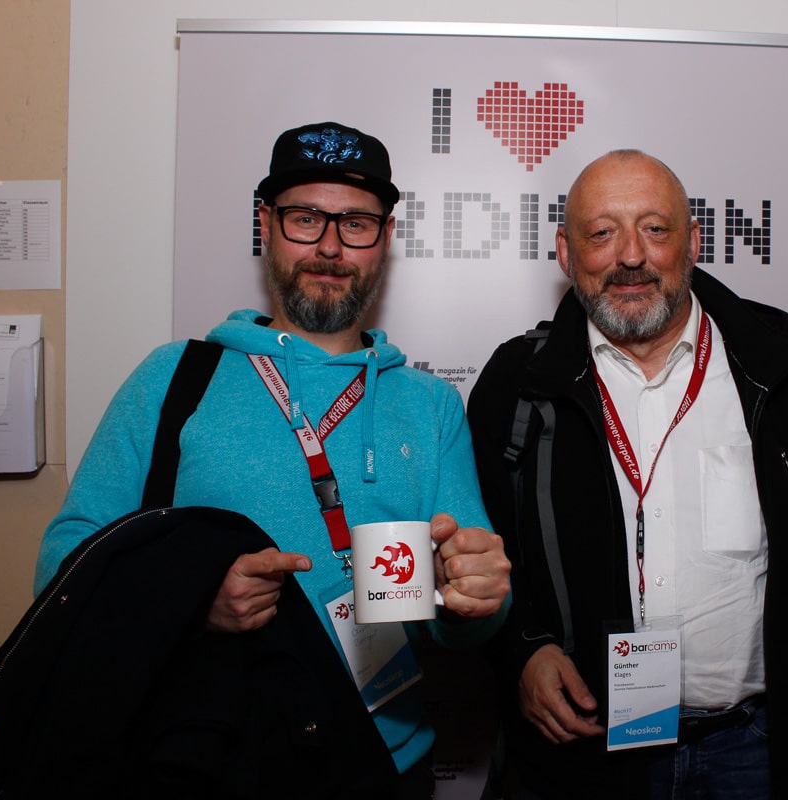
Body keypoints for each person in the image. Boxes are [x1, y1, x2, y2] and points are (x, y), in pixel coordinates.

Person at [34, 121, 511, 796]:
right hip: (201, 758)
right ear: (265, 224)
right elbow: (64, 563)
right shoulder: (174, 378)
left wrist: (478, 597)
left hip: (383, 765)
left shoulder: (430, 404)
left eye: (356, 224)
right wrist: (191, 596)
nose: (329, 246)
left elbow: (465, 615)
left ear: (385, 237)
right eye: (305, 218)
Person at [466, 149, 788, 799]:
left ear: (694, 241)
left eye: (655, 228)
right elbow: (476, 549)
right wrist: (523, 650)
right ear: (565, 251)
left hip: (751, 749)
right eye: (602, 232)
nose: (631, 255)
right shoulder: (518, 382)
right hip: (581, 757)